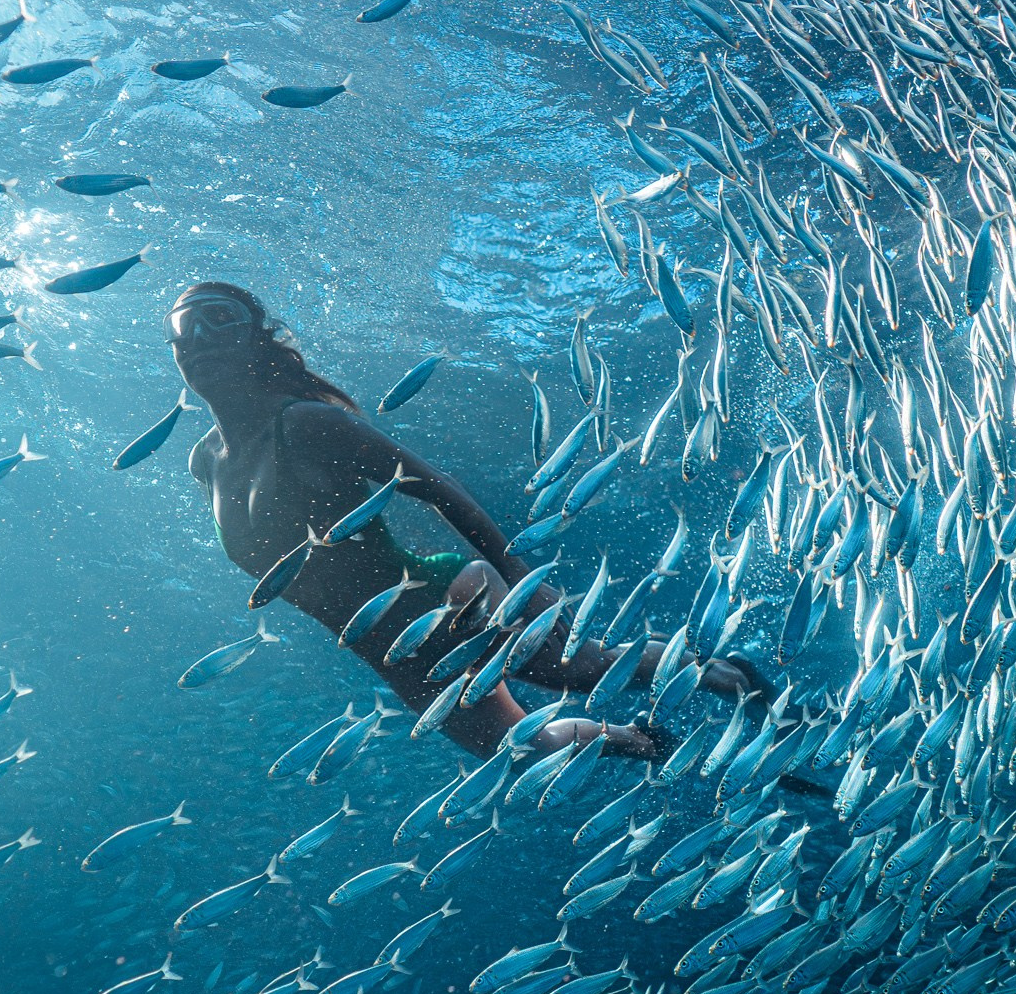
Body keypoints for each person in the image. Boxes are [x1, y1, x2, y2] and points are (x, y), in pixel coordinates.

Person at [173, 281, 751, 758]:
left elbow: (437, 488)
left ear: (256, 337)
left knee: (578, 670)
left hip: (441, 596)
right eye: (181, 331)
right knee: (516, 748)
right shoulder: (205, 462)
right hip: (385, 650)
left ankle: (727, 674)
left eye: (217, 319)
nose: (197, 340)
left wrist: (521, 574)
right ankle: (641, 742)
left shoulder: (305, 424)